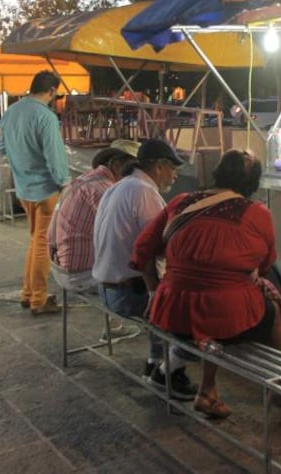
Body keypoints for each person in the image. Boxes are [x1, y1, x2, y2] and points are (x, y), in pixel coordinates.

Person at [131, 149, 281, 419]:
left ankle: (208, 391)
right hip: (225, 316)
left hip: (170, 313)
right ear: (253, 183)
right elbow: (265, 264)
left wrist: (154, 292)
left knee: (214, 309)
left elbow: (142, 250)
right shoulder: (257, 212)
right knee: (269, 312)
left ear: (218, 173)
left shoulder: (181, 202)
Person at [92, 138, 197, 399]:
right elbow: (153, 248)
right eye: (173, 168)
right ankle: (170, 372)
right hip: (128, 292)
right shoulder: (144, 192)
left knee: (164, 293)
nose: (175, 175)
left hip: (108, 288)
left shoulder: (120, 186)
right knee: (198, 308)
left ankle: (155, 361)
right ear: (159, 166)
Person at [0, 70, 70, 316]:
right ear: (52, 91)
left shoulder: (11, 112)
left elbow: (1, 148)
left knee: (35, 240)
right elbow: (54, 156)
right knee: (43, 244)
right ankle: (39, 298)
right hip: (45, 190)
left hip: (23, 188)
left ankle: (28, 293)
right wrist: (65, 183)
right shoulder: (45, 116)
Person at [48, 145, 137, 341]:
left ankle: (115, 322)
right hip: (78, 274)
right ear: (117, 165)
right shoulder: (104, 189)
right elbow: (121, 234)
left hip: (61, 266)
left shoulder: (86, 180)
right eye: (132, 169)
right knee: (147, 274)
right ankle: (152, 332)